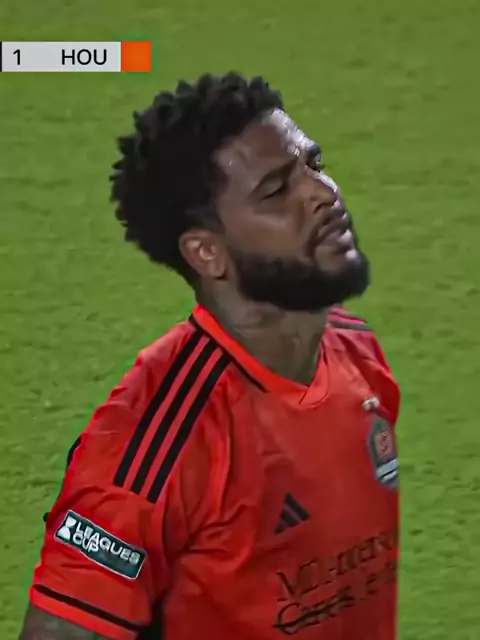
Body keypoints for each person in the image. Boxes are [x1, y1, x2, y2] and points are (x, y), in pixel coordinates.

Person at [19, 72, 400, 640]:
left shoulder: (356, 351)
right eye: (277, 190)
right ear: (206, 253)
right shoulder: (155, 441)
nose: (324, 193)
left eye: (313, 164)